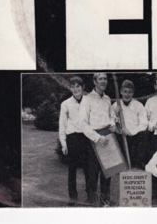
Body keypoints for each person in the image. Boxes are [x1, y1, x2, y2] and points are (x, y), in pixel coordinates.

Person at [80, 73, 116, 206]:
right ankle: (92, 199)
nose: (103, 81)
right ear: (95, 82)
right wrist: (97, 137)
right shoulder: (87, 99)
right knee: (92, 172)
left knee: (108, 171)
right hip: (93, 138)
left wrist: (112, 124)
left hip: (107, 136)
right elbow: (83, 124)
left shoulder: (107, 98)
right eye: (100, 79)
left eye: (105, 79)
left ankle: (105, 199)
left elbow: (111, 116)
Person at [58, 76, 89, 205]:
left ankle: (90, 194)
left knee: (88, 168)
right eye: (73, 86)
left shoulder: (89, 102)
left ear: (83, 87)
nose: (75, 89)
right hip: (73, 138)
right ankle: (73, 196)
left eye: (78, 86)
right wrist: (64, 144)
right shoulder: (65, 104)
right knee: (72, 169)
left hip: (87, 137)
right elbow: (62, 125)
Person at [112, 80, 148, 169]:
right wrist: (116, 115)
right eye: (125, 91)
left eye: (130, 92)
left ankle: (139, 162)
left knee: (144, 134)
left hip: (135, 137)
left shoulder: (139, 105)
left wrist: (131, 132)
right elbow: (111, 122)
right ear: (121, 92)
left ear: (133, 93)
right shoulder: (116, 105)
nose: (127, 94)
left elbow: (144, 123)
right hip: (122, 137)